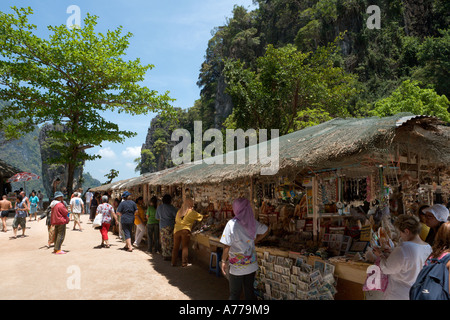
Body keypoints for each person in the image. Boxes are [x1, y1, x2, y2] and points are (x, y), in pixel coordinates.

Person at [220, 198, 269, 300]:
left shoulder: (231, 224)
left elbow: (226, 245)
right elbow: (266, 230)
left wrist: (223, 261)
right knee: (249, 292)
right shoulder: (252, 222)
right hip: (251, 265)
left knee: (234, 294)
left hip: (237, 267)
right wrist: (256, 240)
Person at [373, 214, 432, 300]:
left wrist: (381, 256)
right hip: (418, 293)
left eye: (400, 232)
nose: (400, 235)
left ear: (407, 231)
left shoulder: (403, 248)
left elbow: (387, 269)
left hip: (399, 294)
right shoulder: (428, 247)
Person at [172, 197, 204, 267]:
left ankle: (173, 262)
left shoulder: (179, 212)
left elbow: (176, 220)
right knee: (185, 247)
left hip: (176, 230)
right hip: (185, 231)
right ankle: (184, 263)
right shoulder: (191, 212)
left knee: (175, 247)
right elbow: (201, 217)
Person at [155, 194, 178, 260]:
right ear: (170, 200)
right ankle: (171, 255)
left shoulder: (159, 207)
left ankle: (165, 255)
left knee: (164, 240)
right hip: (170, 225)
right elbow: (176, 216)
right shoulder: (172, 208)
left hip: (162, 226)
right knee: (171, 241)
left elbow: (157, 217)